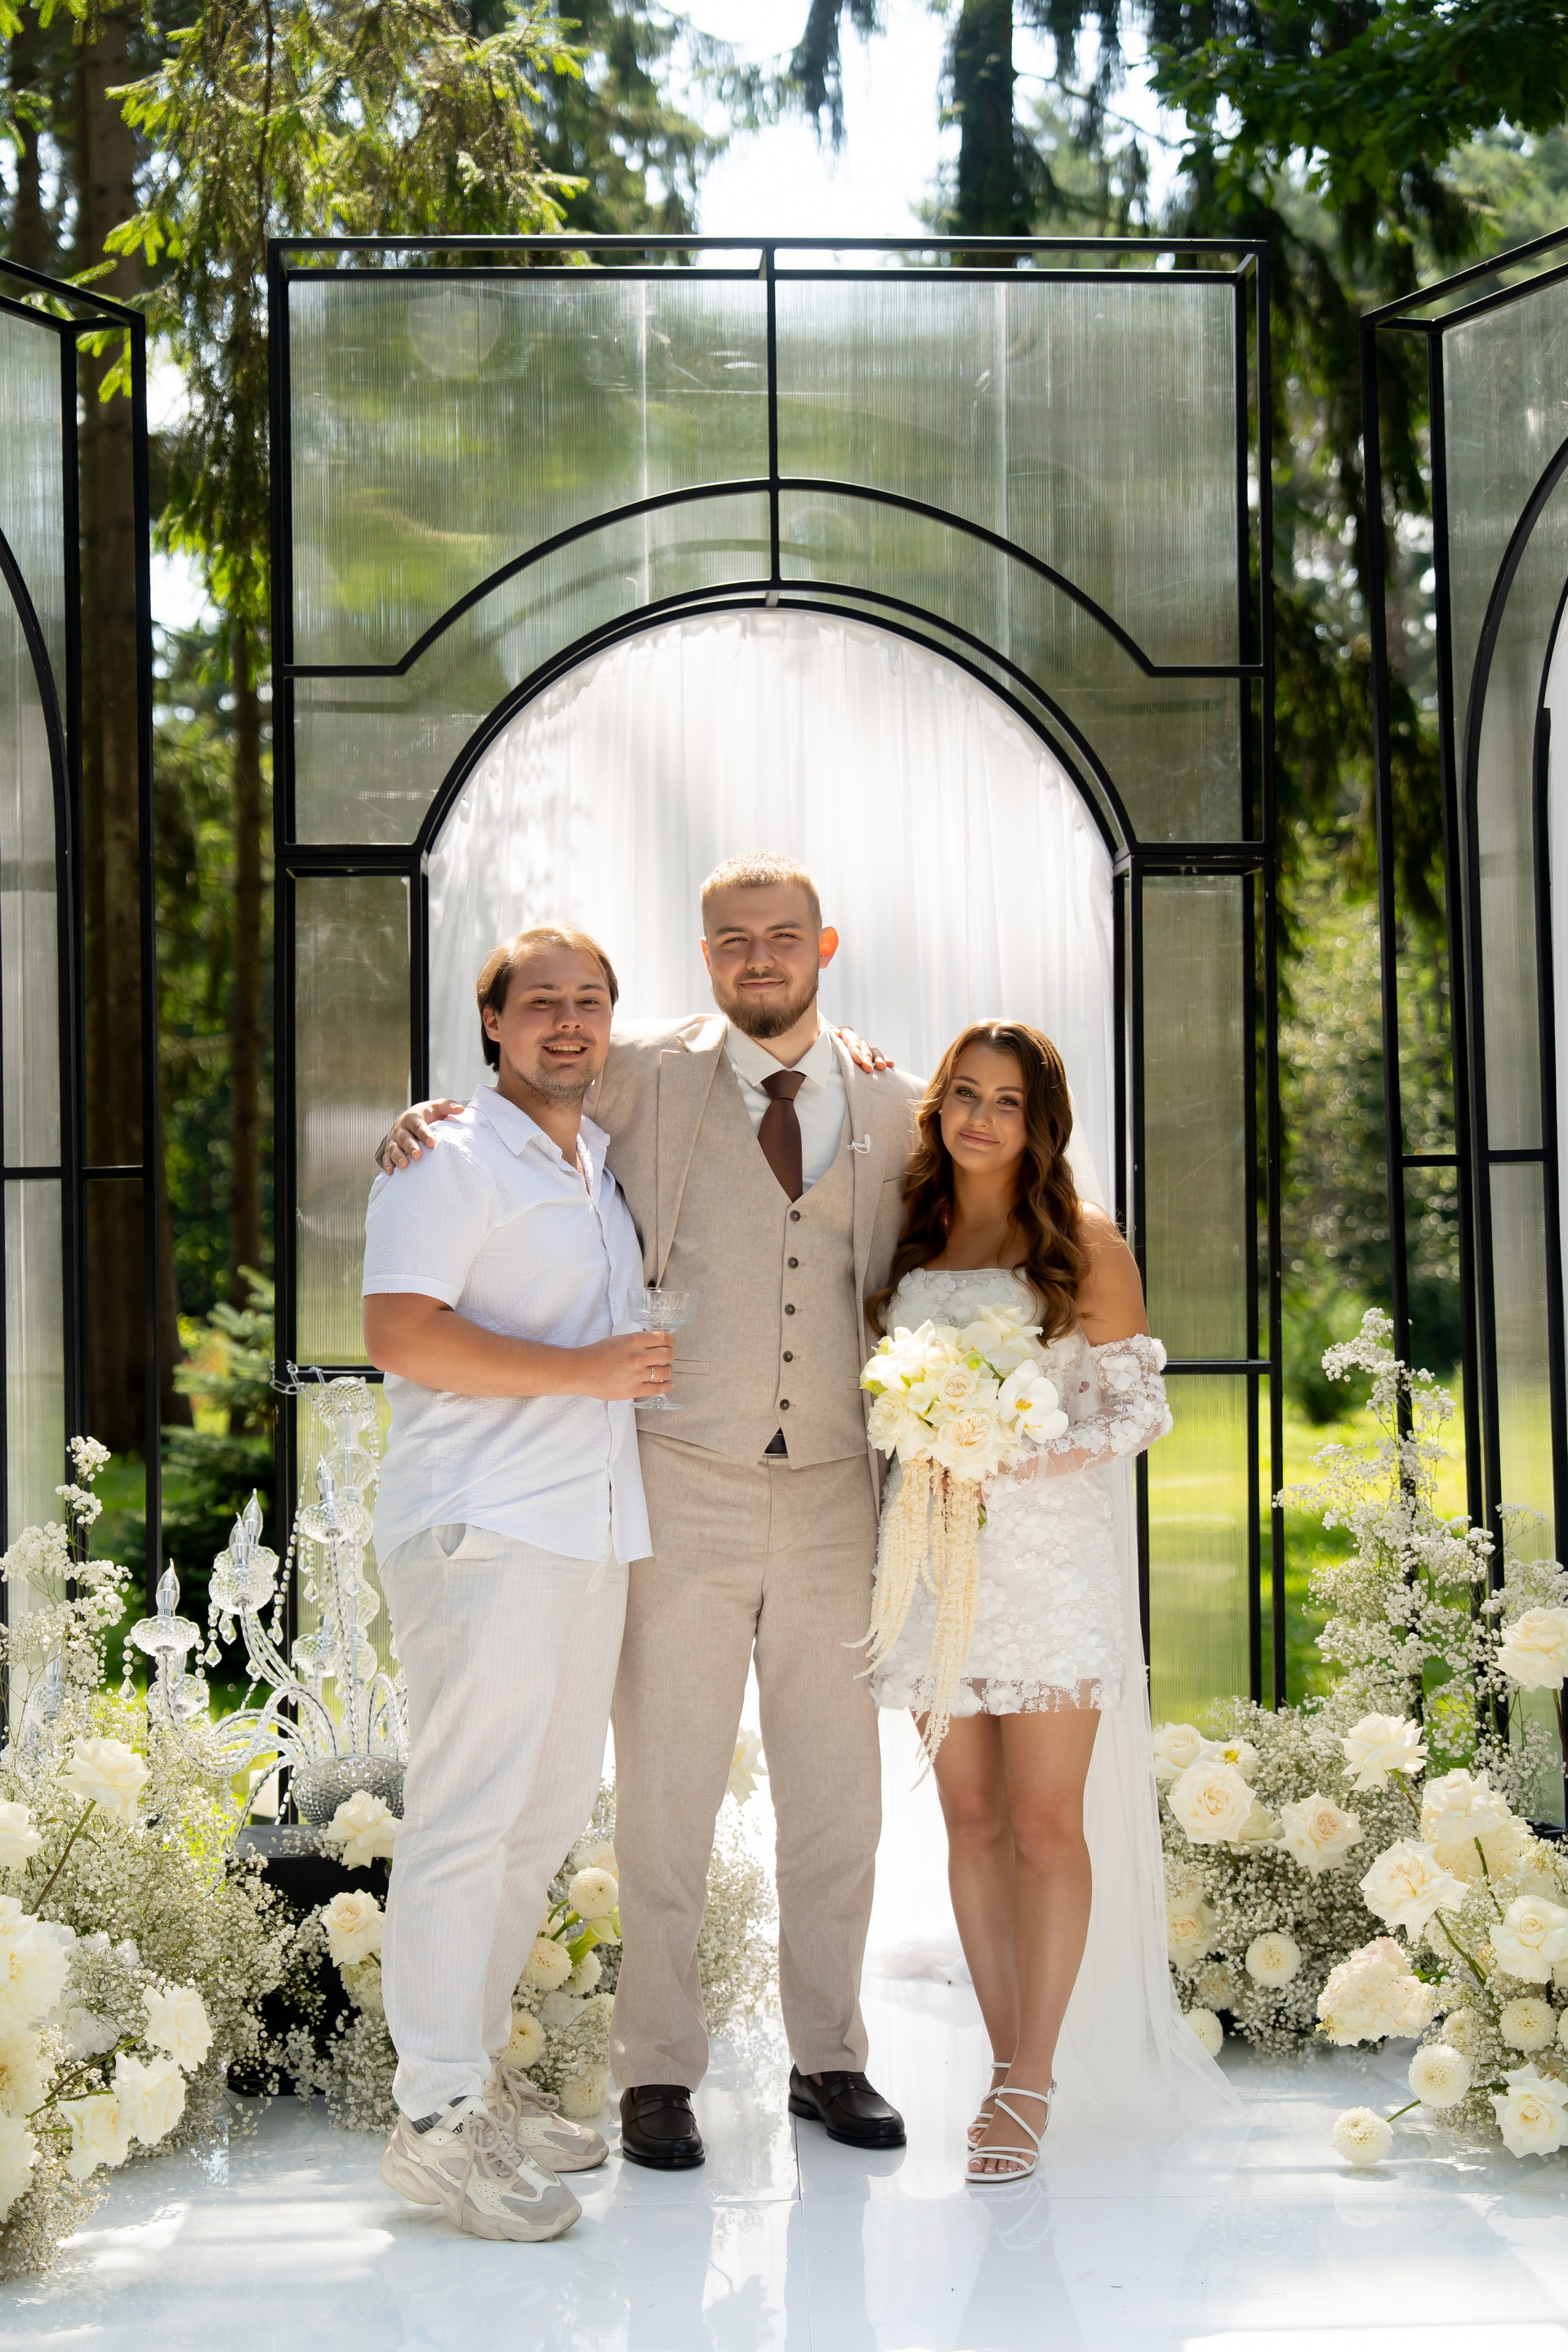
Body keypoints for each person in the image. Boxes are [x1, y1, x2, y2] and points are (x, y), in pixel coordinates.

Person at [379, 854, 923, 2169]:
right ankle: (657, 2071)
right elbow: (517, 1094)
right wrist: (420, 1114)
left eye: (781, 936)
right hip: (677, 1487)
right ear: (705, 953)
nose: (757, 956)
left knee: (838, 1796)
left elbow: (990, 1189)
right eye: (732, 938)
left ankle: (832, 2054)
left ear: (824, 946)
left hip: (836, 1490)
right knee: (663, 1794)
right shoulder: (644, 1073)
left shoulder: (894, 1099)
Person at [864, 1020, 1234, 2180]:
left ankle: (1034, 2076)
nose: (981, 1118)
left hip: (1050, 1567)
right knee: (969, 1822)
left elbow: (1140, 1410)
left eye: (1007, 1102)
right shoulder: (910, 1230)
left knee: (1042, 1825)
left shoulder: (1084, 1240)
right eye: (964, 1095)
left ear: (1041, 1122)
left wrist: (1014, 1452)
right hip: (935, 1565)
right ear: (939, 1107)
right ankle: (1001, 2058)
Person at [361, 924, 675, 2241]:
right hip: (483, 1526)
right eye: (540, 1002)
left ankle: (476, 2077)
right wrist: (584, 1373)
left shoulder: (598, 1158)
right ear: (492, 1022)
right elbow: (399, 1330)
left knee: (536, 1821)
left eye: (589, 1001)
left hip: (587, 1530)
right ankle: (434, 2124)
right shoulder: (446, 1156)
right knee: (467, 1816)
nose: (567, 1021)